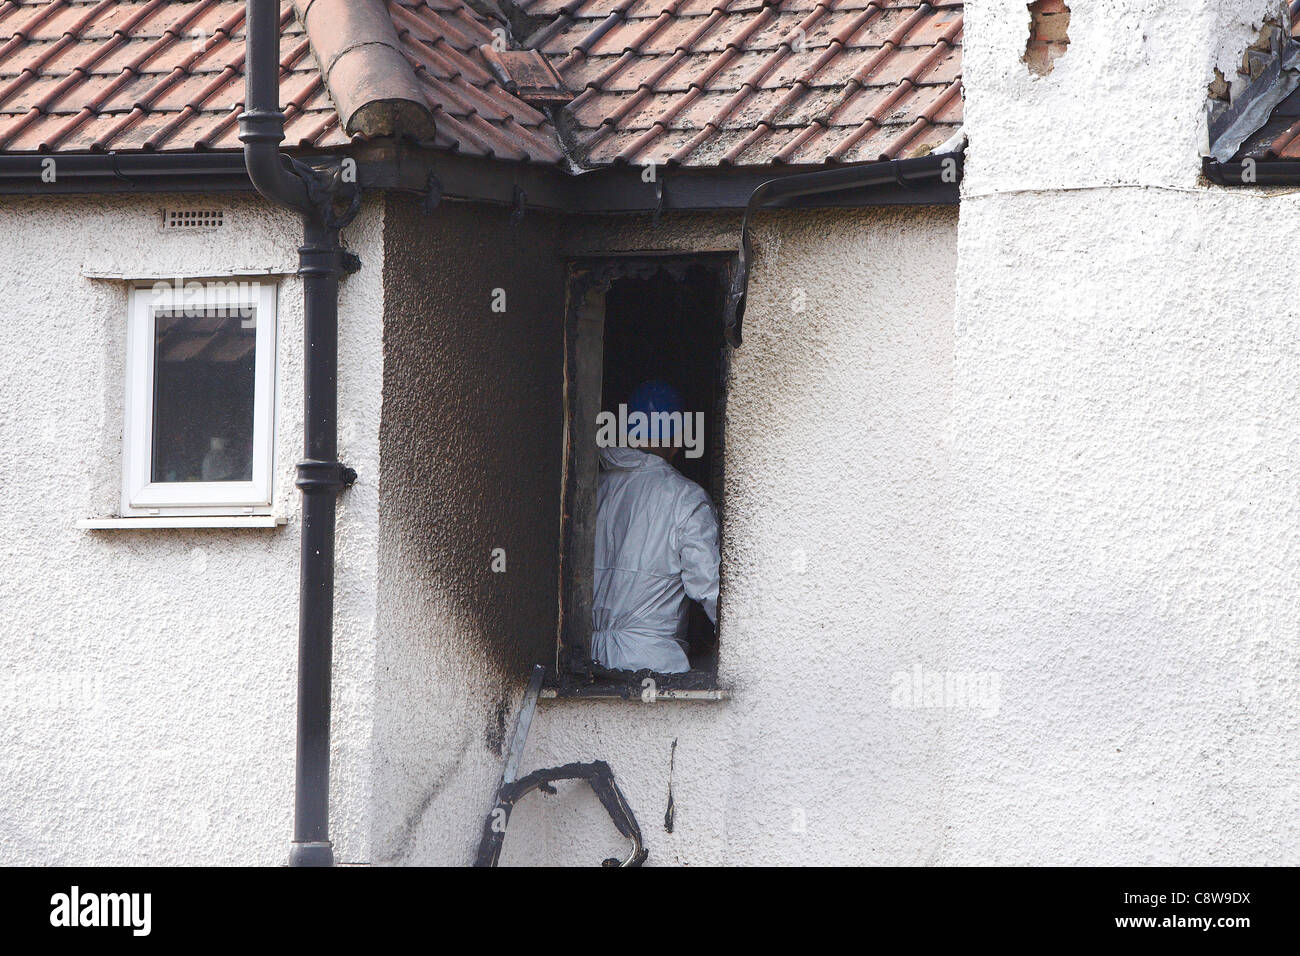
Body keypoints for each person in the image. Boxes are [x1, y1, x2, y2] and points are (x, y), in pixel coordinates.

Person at [592, 381, 720, 674]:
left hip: (589, 663)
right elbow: (710, 587)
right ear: (677, 439)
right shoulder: (686, 498)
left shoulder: (591, 490)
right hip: (655, 665)